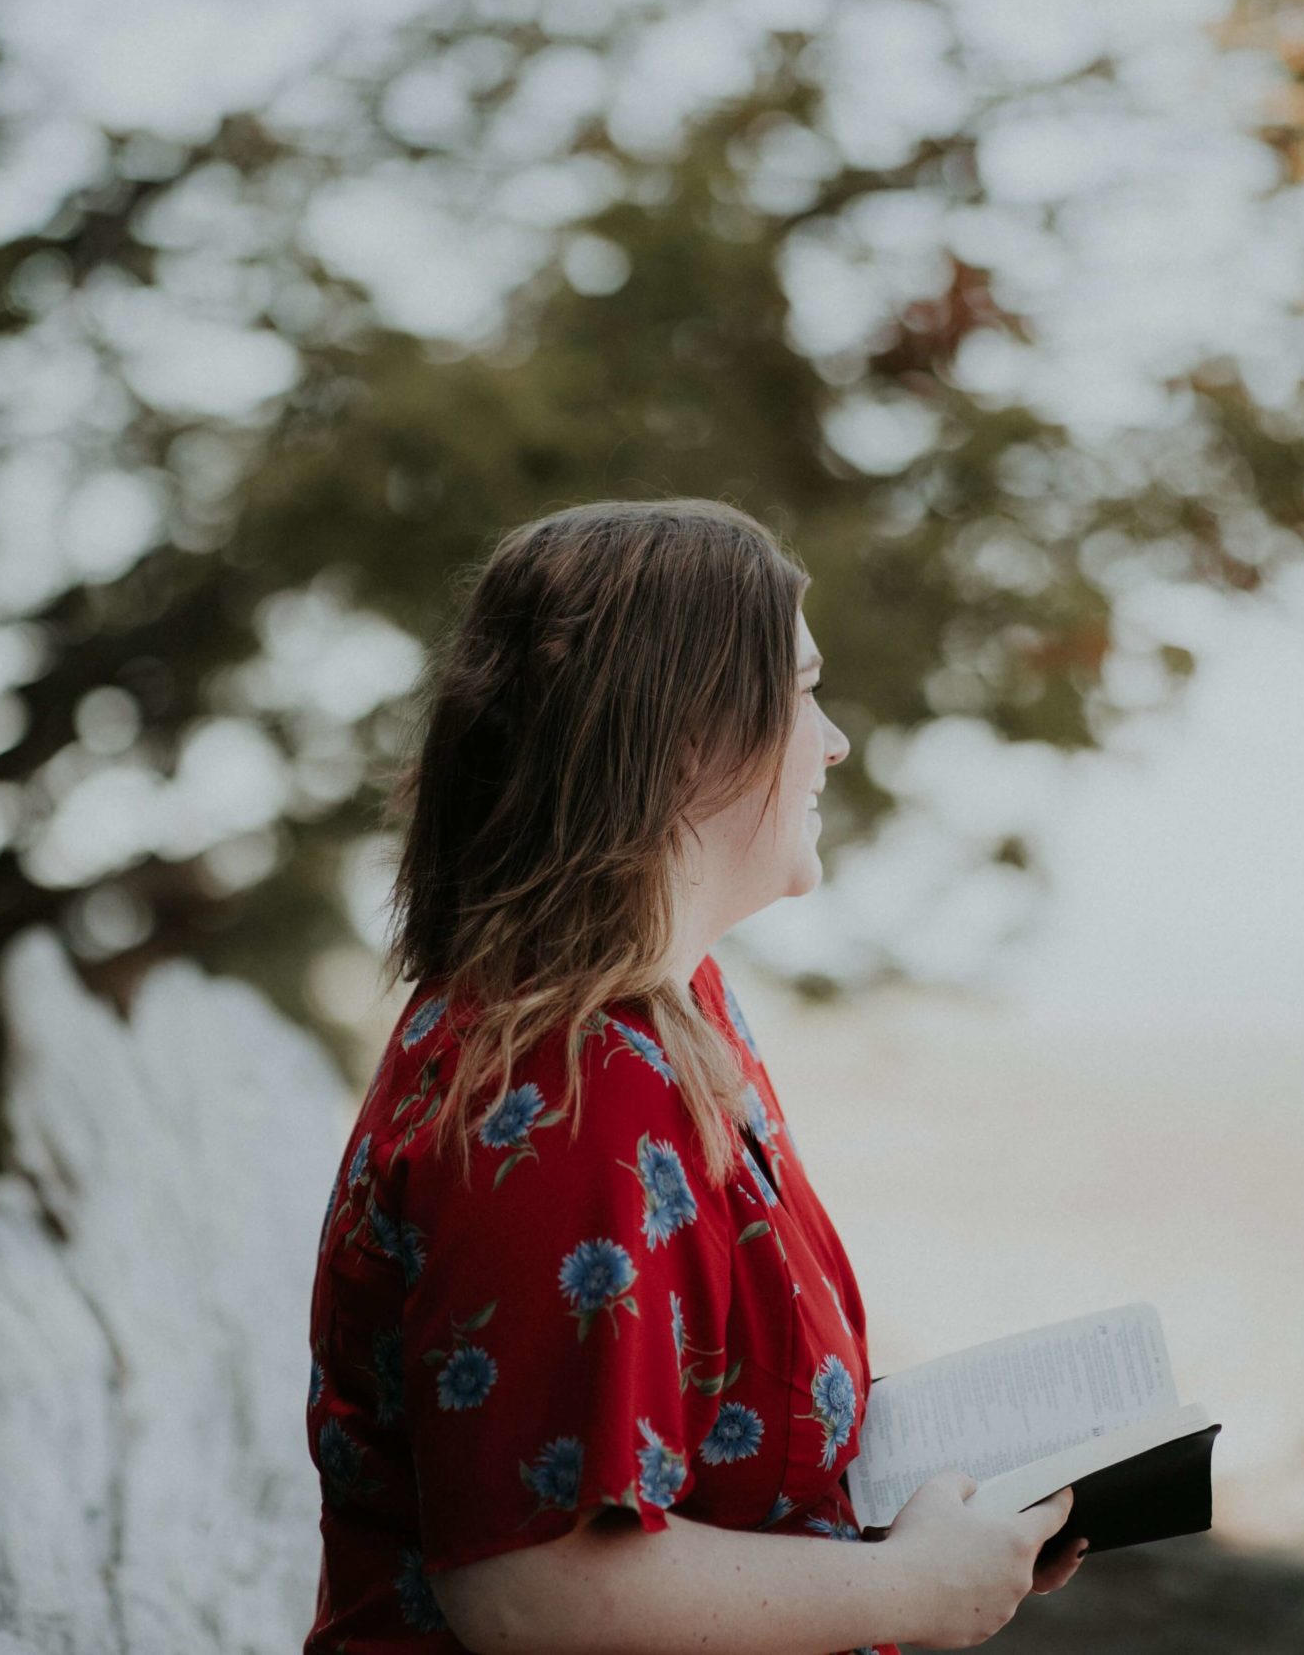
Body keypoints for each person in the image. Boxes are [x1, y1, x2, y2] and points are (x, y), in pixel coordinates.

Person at [303, 499, 1086, 1654]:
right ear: (683, 733)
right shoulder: (568, 1088)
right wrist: (910, 1595)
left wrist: (941, 1532)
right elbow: (534, 1590)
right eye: (804, 692)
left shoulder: (675, 1014)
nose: (833, 742)